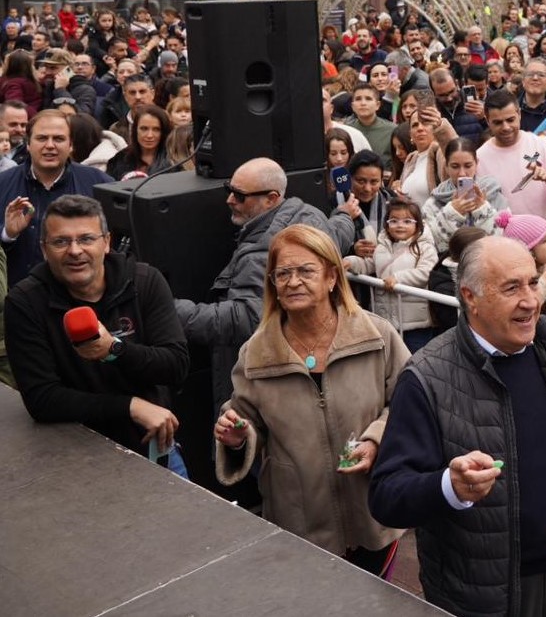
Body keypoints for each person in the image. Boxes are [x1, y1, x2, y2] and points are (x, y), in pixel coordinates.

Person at [368, 235, 546, 617]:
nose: (530, 300)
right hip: (479, 598)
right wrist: (449, 487)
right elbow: (386, 496)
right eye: (511, 288)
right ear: (471, 297)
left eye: (532, 282)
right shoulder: (426, 377)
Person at [214, 225, 410, 576]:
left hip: (374, 512)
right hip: (299, 522)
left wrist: (376, 438)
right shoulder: (256, 353)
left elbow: (410, 405)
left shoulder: (377, 336)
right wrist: (236, 435)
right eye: (283, 274)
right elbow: (243, 417)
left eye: (305, 271)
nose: (292, 282)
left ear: (332, 276)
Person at [4, 194, 189, 474]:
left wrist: (114, 350)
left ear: (107, 243)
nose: (75, 250)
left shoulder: (144, 282)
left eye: (86, 239)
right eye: (61, 241)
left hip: (153, 451)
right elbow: (42, 399)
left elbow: (175, 366)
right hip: (72, 460)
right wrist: (129, 406)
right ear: (44, 249)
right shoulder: (25, 302)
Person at [175, 157, 338, 409]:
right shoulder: (310, 215)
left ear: (272, 198)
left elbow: (247, 317)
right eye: (228, 190)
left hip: (268, 378)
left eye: (239, 196)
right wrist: (345, 215)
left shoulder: (265, 248)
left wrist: (169, 310)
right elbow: (339, 232)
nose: (229, 200)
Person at [0, 110, 110, 287]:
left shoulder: (99, 183)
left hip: (81, 296)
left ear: (71, 145)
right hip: (19, 298)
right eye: (42, 138)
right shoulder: (3, 184)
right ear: (28, 144)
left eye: (58, 139)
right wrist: (8, 235)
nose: (50, 145)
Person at [345, 196, 439, 352]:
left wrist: (398, 279)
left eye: (407, 221)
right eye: (394, 221)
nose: (400, 225)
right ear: (387, 224)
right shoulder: (382, 246)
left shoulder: (424, 247)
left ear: (418, 225)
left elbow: (426, 272)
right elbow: (370, 265)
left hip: (415, 323)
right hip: (386, 319)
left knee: (415, 359)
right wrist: (352, 262)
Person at [476, 89, 546, 220]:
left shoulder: (542, 144)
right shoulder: (479, 157)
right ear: (487, 120)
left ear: (519, 114)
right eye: (498, 122)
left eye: (510, 120)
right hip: (504, 237)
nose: (506, 127)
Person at [423, 137, 508, 253]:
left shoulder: (493, 194)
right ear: (446, 167)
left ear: (476, 163)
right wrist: (451, 213)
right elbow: (429, 244)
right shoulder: (434, 202)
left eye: (468, 166)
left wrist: (483, 210)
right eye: (455, 166)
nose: (462, 173)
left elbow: (504, 241)